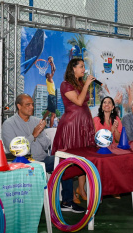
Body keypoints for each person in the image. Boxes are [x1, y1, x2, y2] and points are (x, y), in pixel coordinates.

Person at [2, 94, 84, 213]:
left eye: (32, 104)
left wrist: (40, 134)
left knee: (65, 162)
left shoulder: (36, 121)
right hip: (23, 163)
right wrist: (33, 135)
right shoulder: (9, 124)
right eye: (27, 105)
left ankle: (67, 202)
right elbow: (12, 150)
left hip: (42, 160)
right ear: (19, 106)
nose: (31, 107)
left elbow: (46, 145)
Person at [52, 58, 96, 204]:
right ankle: (69, 196)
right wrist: (87, 85)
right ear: (73, 69)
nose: (84, 69)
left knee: (84, 157)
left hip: (83, 124)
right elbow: (78, 101)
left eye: (84, 66)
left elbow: (83, 101)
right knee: (70, 159)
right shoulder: (65, 84)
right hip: (71, 126)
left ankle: (81, 189)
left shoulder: (81, 83)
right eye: (81, 66)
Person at [42, 56, 56, 128]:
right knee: (53, 114)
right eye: (49, 75)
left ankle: (42, 121)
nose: (50, 75)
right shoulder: (49, 79)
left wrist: (51, 64)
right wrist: (52, 62)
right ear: (48, 76)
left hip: (50, 96)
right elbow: (54, 70)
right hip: (52, 96)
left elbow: (53, 70)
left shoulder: (48, 80)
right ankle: (51, 128)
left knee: (48, 111)